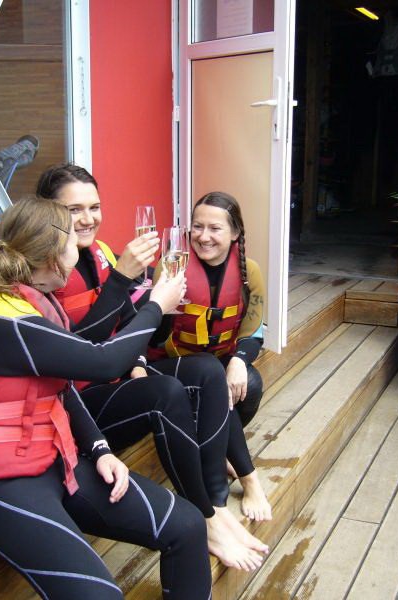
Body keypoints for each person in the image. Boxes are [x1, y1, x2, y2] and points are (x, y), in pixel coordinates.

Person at [0, 197, 212, 599]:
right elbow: (103, 362)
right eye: (73, 241)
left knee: (187, 525)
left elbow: (62, 386)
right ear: (54, 258)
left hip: (53, 458)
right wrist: (157, 305)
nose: (81, 248)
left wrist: (100, 449)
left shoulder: (30, 300)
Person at [36, 165, 270, 555]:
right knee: (167, 393)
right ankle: (205, 515)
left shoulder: (101, 253)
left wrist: (141, 354)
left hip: (116, 378)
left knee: (208, 370)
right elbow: (77, 354)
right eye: (74, 209)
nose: (88, 218)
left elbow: (128, 322)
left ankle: (216, 499)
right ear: (48, 211)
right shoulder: (44, 270)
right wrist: (129, 285)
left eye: (94, 207)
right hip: (78, 403)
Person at [150, 191, 270, 522]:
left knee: (250, 385)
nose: (204, 236)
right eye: (197, 227)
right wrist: (166, 303)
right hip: (171, 363)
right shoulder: (172, 266)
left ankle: (217, 449)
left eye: (215, 228)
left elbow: (254, 332)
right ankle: (249, 478)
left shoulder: (249, 272)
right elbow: (153, 336)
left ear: (235, 233)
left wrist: (239, 361)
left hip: (216, 362)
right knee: (212, 380)